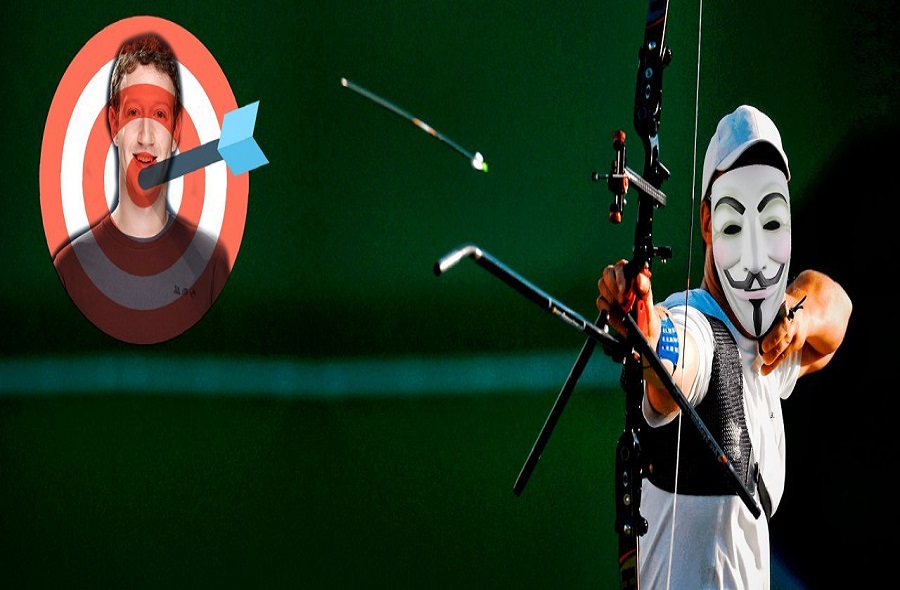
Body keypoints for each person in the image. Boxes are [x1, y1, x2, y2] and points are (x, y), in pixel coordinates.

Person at [595, 104, 852, 588]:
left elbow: (837, 310)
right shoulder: (696, 323)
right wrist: (648, 328)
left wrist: (795, 314)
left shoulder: (770, 344)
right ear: (708, 222)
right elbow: (678, 358)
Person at [53, 32, 230, 344]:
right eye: (133, 112)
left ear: (176, 130)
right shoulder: (70, 269)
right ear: (114, 123)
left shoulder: (211, 265)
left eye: (159, 115)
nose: (146, 136)